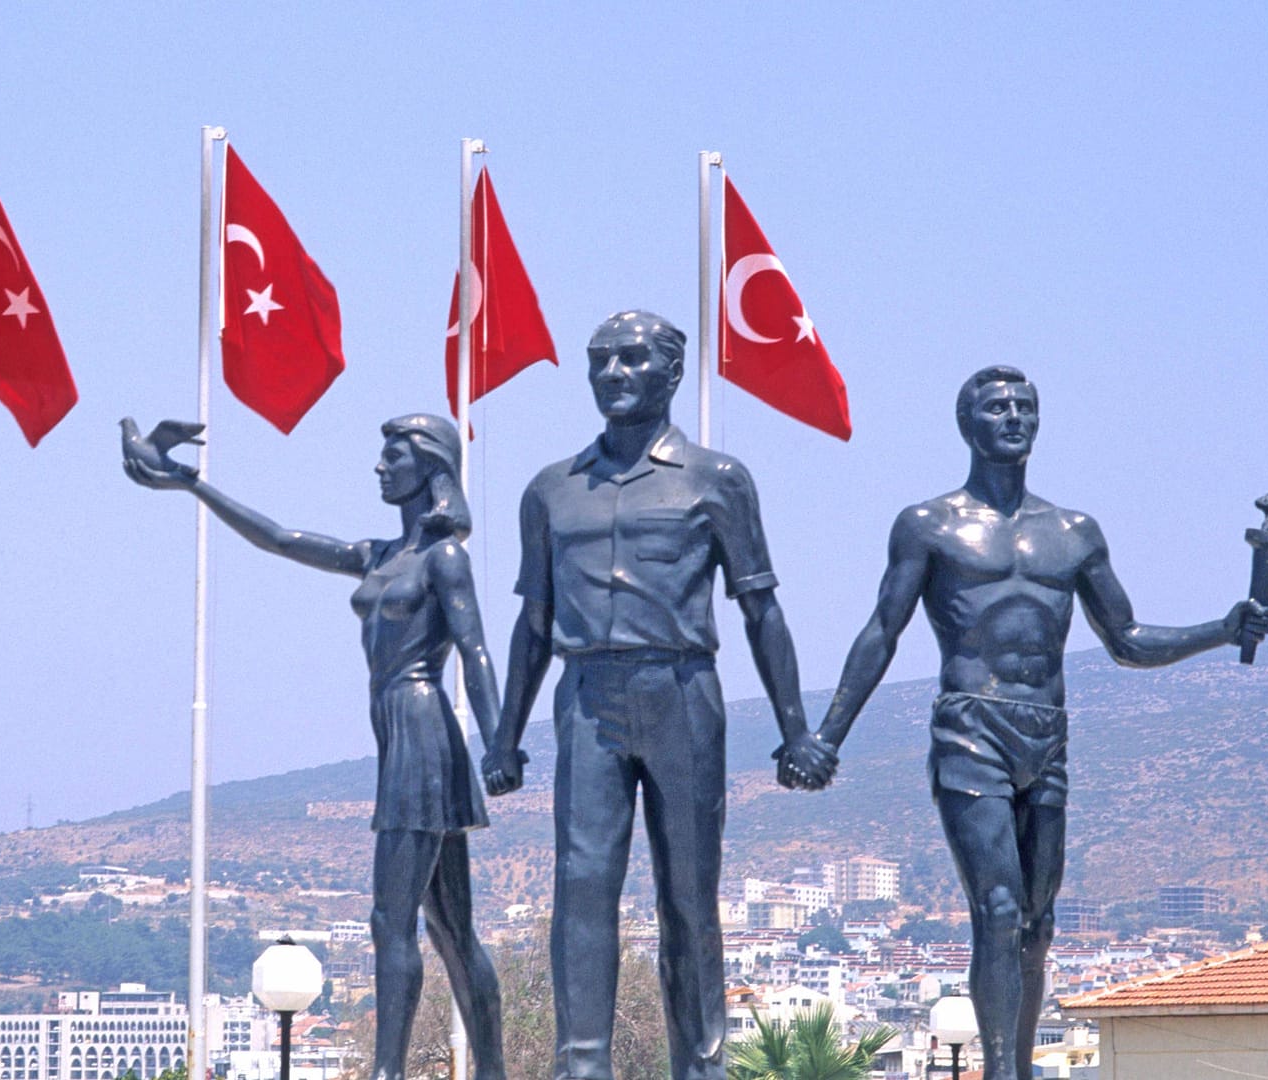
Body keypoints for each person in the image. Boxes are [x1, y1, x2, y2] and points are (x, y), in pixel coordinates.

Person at [802, 365, 1268, 1080]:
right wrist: (828, 736)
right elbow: (881, 633)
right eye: (997, 407)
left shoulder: (1074, 533)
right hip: (971, 729)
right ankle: (998, 1071)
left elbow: (1128, 640)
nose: (1014, 417)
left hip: (1047, 731)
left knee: (1036, 924)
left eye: (1026, 406)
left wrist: (1222, 626)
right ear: (969, 424)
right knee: (996, 907)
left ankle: (1017, 1066)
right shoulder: (929, 525)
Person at [481, 311, 828, 1080]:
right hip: (585, 697)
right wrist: (505, 738)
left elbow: (760, 608)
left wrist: (795, 730)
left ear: (671, 373)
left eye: (632, 359)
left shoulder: (717, 479)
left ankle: (700, 1066)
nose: (613, 373)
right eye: (600, 360)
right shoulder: (549, 490)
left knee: (689, 893)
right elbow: (531, 623)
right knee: (581, 887)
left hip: (682, 691)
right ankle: (582, 1066)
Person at [122, 413, 506, 1080]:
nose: (380, 468)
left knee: (394, 919)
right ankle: (492, 1071)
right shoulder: (379, 554)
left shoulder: (445, 558)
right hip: (397, 734)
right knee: (447, 926)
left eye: (393, 457)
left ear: (430, 467)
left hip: (421, 730)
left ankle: (389, 1070)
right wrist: (191, 485)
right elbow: (280, 539)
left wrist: (500, 741)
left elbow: (475, 652)